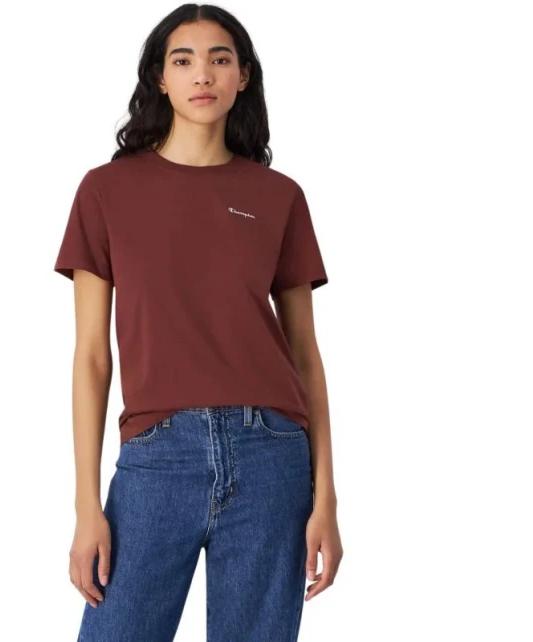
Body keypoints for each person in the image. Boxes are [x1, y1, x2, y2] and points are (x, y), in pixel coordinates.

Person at [53, 4, 343, 640]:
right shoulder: (105, 191)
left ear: (243, 76)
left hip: (272, 455)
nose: (203, 74)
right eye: (183, 60)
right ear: (160, 78)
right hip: (157, 457)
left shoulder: (279, 196)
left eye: (220, 59)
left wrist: (326, 497)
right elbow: (92, 356)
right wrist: (85, 505)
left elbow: (305, 354)